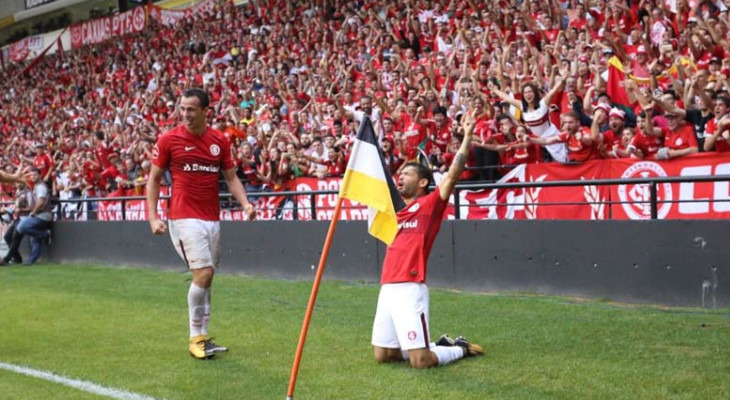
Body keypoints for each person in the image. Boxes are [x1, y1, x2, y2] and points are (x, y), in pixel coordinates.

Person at [146, 88, 256, 360]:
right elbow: (154, 179)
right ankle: (194, 338)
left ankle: (204, 337)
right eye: (182, 108)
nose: (185, 114)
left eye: (191, 109)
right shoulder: (169, 140)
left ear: (206, 111)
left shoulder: (219, 141)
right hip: (183, 217)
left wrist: (245, 203)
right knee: (203, 274)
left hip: (211, 219)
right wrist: (153, 216)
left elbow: (231, 178)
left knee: (208, 278)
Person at [372, 112, 484, 369]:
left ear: (423, 182)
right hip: (387, 286)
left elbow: (453, 175)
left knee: (420, 363)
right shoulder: (396, 211)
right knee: (383, 356)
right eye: (400, 174)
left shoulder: (430, 204)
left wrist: (467, 137)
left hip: (411, 286)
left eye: (407, 174)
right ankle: (433, 345)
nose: (400, 177)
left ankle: (458, 349)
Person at [14, 168, 53, 265]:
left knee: (21, 227)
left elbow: (41, 202)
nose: (33, 177)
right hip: (40, 215)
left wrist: (33, 213)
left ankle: (44, 234)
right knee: (35, 238)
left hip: (43, 215)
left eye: (35, 175)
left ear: (40, 176)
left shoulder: (41, 187)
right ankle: (31, 260)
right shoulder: (36, 186)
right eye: (32, 175)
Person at [0, 181, 33, 265]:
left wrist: (21, 210)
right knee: (7, 237)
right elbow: (16, 207)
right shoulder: (18, 192)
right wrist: (7, 210)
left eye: (20, 182)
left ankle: (6, 259)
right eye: (16, 183)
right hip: (17, 218)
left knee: (15, 238)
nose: (18, 184)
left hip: (25, 218)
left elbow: (32, 207)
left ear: (24, 183)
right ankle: (17, 258)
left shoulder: (28, 193)